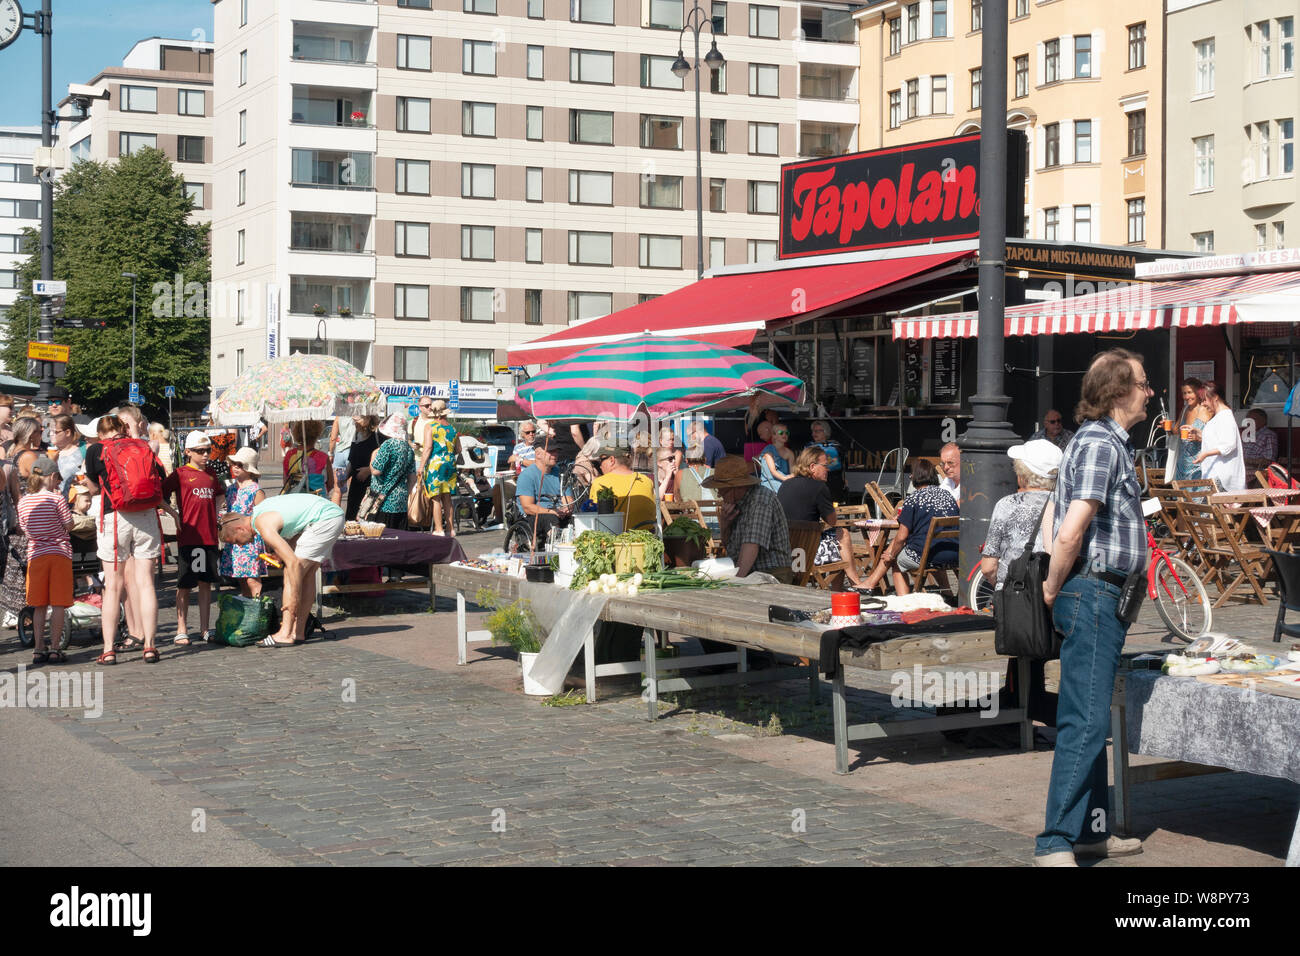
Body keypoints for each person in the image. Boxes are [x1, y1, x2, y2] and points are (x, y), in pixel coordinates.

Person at [1035, 348, 1150, 866]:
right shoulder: (1102, 443)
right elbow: (1072, 527)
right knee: (1084, 720)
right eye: (1144, 384)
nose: (1150, 392)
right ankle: (1055, 841)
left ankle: (1089, 831)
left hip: (1105, 594)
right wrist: (1054, 586)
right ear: (1119, 391)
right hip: (1094, 591)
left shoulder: (1106, 442)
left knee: (1091, 714)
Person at [84, 414, 166, 664]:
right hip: (146, 516)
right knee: (146, 584)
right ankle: (150, 646)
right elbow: (159, 477)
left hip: (115, 516)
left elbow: (93, 488)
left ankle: (108, 649)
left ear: (100, 434)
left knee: (113, 586)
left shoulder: (96, 449)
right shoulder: (143, 446)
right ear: (124, 429)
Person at [219, 494, 345, 646]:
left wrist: (293, 600)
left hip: (325, 519)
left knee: (290, 572)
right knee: (309, 573)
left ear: (239, 529)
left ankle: (285, 633)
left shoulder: (262, 524)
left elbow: (293, 563)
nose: (240, 545)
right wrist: (279, 554)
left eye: (236, 541)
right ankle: (298, 633)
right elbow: (300, 523)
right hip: (331, 516)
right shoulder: (259, 512)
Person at [859, 459, 959, 595]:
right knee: (932, 548)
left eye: (911, 474)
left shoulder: (914, 499)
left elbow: (901, 537)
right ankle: (947, 594)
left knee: (896, 560)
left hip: (929, 557)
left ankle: (904, 600)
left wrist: (890, 555)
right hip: (954, 553)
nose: (910, 476)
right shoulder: (947, 496)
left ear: (915, 476)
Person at [777, 447, 868, 588]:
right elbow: (832, 521)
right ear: (813, 467)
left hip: (785, 550)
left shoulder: (785, 485)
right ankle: (855, 583)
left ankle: (843, 589)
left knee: (836, 545)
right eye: (825, 466)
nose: (828, 470)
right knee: (842, 534)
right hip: (808, 552)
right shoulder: (819, 487)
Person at [163, 431, 221, 644]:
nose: (205, 455)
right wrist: (174, 513)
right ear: (188, 452)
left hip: (209, 537)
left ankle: (205, 628)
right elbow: (159, 495)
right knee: (185, 584)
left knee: (205, 583)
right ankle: (181, 628)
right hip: (189, 536)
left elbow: (220, 492)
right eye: (200, 451)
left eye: (208, 450)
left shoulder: (212, 473)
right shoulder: (180, 473)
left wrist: (216, 511)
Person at [980, 440, 1063, 589]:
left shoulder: (1007, 504)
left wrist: (1003, 589)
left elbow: (988, 568)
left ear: (1023, 472)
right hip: (1056, 591)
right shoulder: (1067, 504)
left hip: (1015, 593)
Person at [702, 455, 792, 581]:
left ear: (736, 487)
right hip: (750, 571)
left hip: (771, 573)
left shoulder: (760, 499)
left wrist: (736, 582)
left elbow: (751, 545)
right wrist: (725, 524)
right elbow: (729, 546)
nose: (719, 494)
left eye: (721, 489)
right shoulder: (738, 502)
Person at [19, 456, 74, 665]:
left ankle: (38, 648)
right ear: (52, 476)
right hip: (59, 554)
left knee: (39, 604)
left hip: (36, 555)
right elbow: (68, 525)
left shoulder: (24, 502)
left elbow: (25, 529)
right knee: (59, 603)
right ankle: (55, 648)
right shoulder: (56, 499)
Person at [220, 447, 266, 598]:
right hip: (234, 537)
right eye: (233, 463)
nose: (235, 467)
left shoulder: (255, 490)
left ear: (249, 468)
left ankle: (258, 607)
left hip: (250, 539)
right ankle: (247, 607)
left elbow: (261, 517)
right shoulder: (231, 489)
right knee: (240, 578)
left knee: (252, 579)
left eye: (239, 464)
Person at [515, 441, 571, 546]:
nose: (555, 454)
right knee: (550, 518)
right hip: (533, 516)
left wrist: (567, 508)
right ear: (538, 454)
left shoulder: (561, 474)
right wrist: (551, 511)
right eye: (550, 451)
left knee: (577, 516)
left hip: (557, 512)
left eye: (556, 451)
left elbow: (568, 498)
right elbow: (527, 507)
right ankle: (557, 549)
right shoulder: (527, 475)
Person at [1192, 382, 1246, 492]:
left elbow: (1229, 445)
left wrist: (1205, 454)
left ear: (1215, 397)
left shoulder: (1225, 416)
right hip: (1216, 474)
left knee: (1216, 508)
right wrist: (1199, 433)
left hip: (1222, 477)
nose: (1203, 404)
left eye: (1204, 400)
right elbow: (1217, 440)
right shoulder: (1219, 416)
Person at [368, 413, 418, 530]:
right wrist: (406, 493)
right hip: (401, 499)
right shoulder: (408, 449)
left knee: (382, 536)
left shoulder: (388, 445)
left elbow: (376, 470)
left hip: (383, 500)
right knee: (398, 536)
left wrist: (372, 457)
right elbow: (412, 478)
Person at [588, 447, 657, 530]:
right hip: (648, 538)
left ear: (611, 460)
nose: (600, 466)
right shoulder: (646, 481)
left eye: (601, 460)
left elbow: (592, 517)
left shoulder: (599, 483)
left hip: (615, 539)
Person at [419, 400, 458, 536]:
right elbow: (458, 449)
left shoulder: (430, 426)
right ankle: (451, 529)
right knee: (447, 498)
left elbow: (428, 448)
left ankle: (439, 529)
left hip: (435, 465)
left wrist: (421, 467)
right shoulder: (452, 428)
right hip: (450, 464)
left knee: (436, 498)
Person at [284, 420, 340, 504]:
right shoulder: (323, 457)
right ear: (317, 434)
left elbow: (285, 481)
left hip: (294, 500)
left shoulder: (289, 455)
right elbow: (330, 484)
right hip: (317, 500)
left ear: (297, 434)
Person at [1172, 379, 1209, 481]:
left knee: (1197, 496)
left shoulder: (1206, 410)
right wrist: (1166, 428)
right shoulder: (1185, 409)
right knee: (1181, 496)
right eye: (1184, 393)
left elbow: (1215, 436)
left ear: (1198, 392)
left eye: (1189, 392)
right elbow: (1175, 431)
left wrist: (1200, 437)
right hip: (1182, 464)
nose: (1186, 397)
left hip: (1199, 464)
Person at [343, 415, 380, 520]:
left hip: (371, 485)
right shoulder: (356, 435)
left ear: (368, 419)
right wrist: (345, 475)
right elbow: (352, 460)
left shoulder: (377, 436)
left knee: (366, 517)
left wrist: (368, 470)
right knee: (351, 517)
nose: (355, 422)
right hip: (356, 485)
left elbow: (384, 459)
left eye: (358, 419)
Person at [808, 420, 846, 499]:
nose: (814, 434)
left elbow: (841, 465)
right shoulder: (809, 447)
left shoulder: (835, 446)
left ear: (825, 432)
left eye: (818, 431)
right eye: (813, 431)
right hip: (814, 483)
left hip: (833, 482)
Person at [51, 414, 84, 495]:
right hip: (52, 503)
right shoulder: (48, 453)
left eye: (55, 432)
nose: (51, 435)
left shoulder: (81, 453)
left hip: (73, 503)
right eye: (49, 431)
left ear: (67, 432)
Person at [1240, 408, 1278, 477]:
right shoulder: (1247, 434)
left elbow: (1269, 461)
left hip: (1256, 472)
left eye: (1253, 419)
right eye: (1247, 419)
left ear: (1263, 421)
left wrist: (1248, 461)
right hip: (1241, 468)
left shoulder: (1268, 435)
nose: (1249, 422)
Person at [758, 423, 795, 492]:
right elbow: (773, 472)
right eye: (781, 433)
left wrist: (792, 477)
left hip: (785, 481)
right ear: (774, 436)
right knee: (789, 490)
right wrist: (785, 478)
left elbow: (792, 471)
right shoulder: (768, 450)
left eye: (787, 432)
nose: (784, 435)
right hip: (769, 482)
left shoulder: (789, 453)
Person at [329, 414, 357, 499]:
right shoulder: (358, 416)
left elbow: (333, 438)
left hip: (340, 453)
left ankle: (336, 512)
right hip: (353, 452)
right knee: (354, 487)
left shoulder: (338, 417)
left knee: (338, 490)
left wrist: (331, 453)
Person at [656, 427, 682, 497]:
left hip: (672, 482)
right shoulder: (656, 453)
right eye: (668, 440)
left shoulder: (677, 453)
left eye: (673, 439)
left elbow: (674, 469)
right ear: (661, 441)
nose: (671, 442)